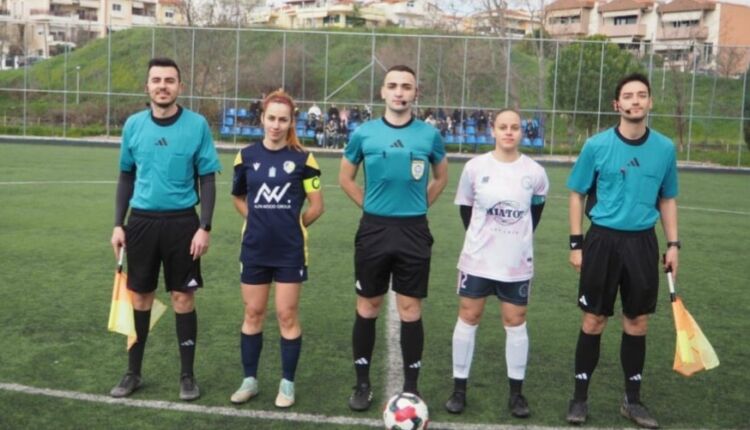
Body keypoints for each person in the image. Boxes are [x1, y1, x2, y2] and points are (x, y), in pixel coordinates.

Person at [565, 73, 679, 429]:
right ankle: (579, 398)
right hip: (602, 241)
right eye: (628, 96)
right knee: (593, 319)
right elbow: (576, 194)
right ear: (617, 104)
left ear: (650, 102)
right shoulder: (596, 146)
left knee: (637, 322)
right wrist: (576, 243)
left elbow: (667, 198)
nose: (635, 101)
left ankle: (632, 400)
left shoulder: (665, 149)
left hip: (642, 243)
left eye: (642, 95)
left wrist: (673, 244)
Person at [109, 57, 222, 401]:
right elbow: (126, 176)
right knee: (140, 296)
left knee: (182, 297)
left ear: (179, 87)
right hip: (141, 223)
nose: (162, 86)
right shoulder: (133, 125)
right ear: (147, 86)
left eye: (169, 80)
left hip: (182, 224)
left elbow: (207, 178)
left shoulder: (196, 125)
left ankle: (187, 376)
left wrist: (204, 226)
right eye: (156, 80)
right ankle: (133, 372)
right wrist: (118, 224)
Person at [339, 64, 449, 411]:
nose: (399, 92)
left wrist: (419, 206)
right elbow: (345, 178)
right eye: (393, 85)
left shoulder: (429, 136)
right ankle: (362, 384)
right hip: (373, 230)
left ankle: (411, 388)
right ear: (382, 92)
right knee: (367, 306)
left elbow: (441, 177)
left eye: (406, 86)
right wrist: (370, 207)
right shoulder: (364, 134)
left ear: (416, 93)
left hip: (414, 231)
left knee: (410, 309)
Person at [443, 109, 549, 418]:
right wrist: (483, 238)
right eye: (503, 126)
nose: (509, 132)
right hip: (478, 259)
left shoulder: (535, 173)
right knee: (469, 316)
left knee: (516, 321)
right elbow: (466, 210)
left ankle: (516, 394)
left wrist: (513, 240)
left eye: (515, 127)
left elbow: (535, 213)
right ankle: (459, 390)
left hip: (515, 262)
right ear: (493, 130)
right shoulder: (475, 168)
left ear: (521, 132)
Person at [229, 90, 324, 408]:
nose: (276, 125)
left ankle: (287, 384)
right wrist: (256, 219)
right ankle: (249, 381)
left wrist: (294, 226)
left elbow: (317, 206)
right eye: (271, 118)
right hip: (254, 248)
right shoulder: (245, 157)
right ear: (262, 119)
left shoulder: (305, 160)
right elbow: (238, 197)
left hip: (289, 252)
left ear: (291, 122)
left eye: (283, 120)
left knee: (286, 315)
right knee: (252, 313)